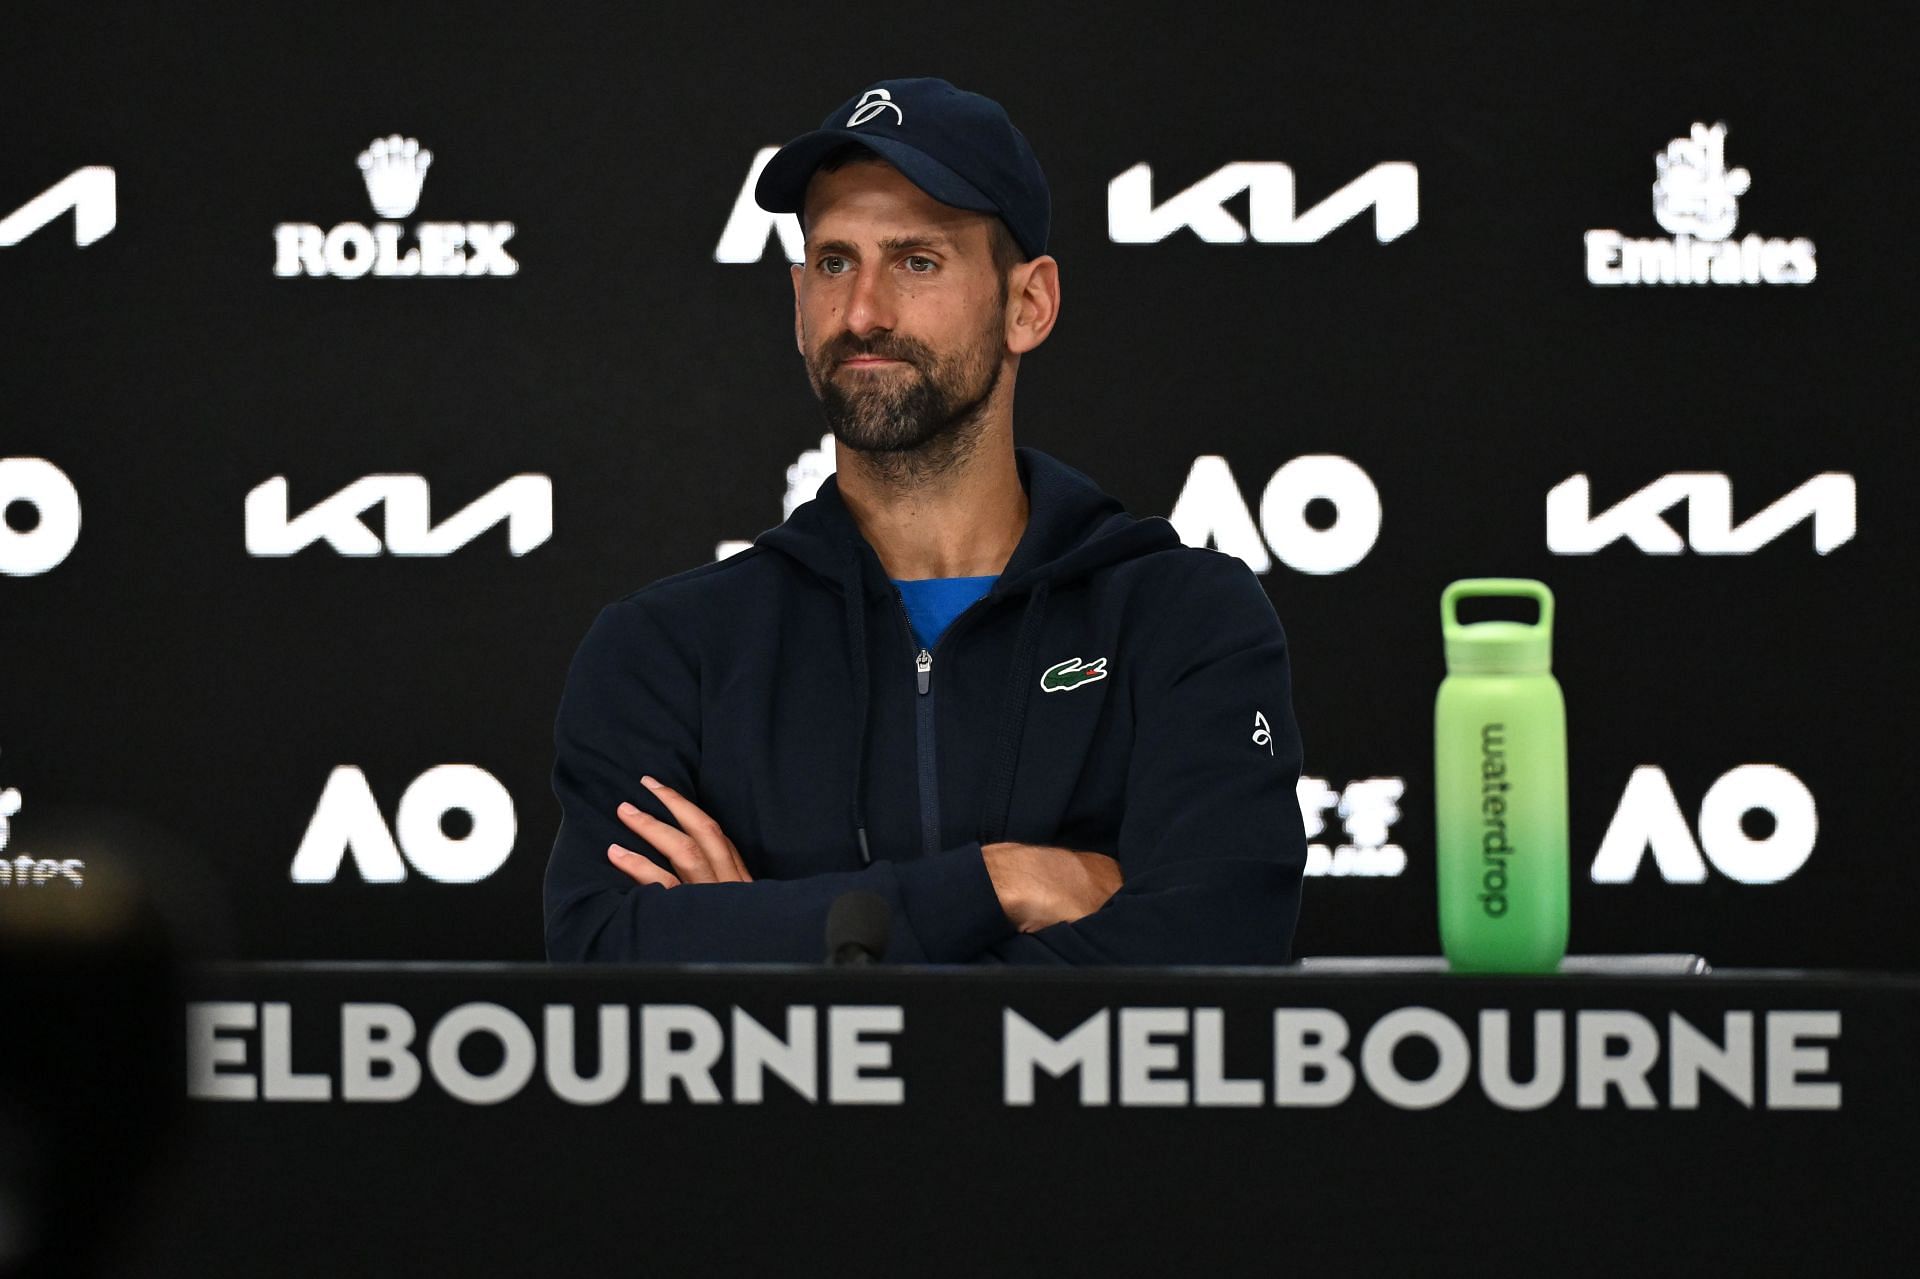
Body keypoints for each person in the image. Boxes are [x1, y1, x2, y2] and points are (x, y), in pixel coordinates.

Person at [543, 77, 1307, 963]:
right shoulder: (668, 650)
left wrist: (771, 939)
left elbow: (1220, 943)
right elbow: (601, 957)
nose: (863, 311)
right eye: (834, 263)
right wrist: (1002, 883)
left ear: (1029, 305)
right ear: (798, 301)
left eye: (917, 261)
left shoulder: (1182, 618)